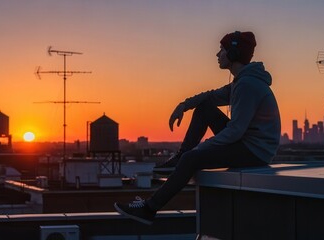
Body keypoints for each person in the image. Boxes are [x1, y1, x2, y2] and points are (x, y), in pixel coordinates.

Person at [114, 30, 281, 225]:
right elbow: (209, 97)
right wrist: (184, 105)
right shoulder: (240, 82)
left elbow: (236, 131)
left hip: (255, 151)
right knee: (204, 109)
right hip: (246, 142)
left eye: (222, 50)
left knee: (192, 158)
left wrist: (201, 148)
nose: (217, 55)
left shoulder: (247, 85)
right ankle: (180, 158)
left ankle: (149, 209)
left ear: (234, 54)